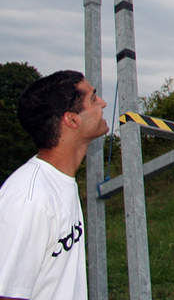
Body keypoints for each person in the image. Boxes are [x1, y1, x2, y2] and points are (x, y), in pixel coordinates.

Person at [0, 70, 108, 300]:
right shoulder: (29, 199)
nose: (103, 103)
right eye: (93, 98)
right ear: (72, 119)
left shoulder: (61, 183)